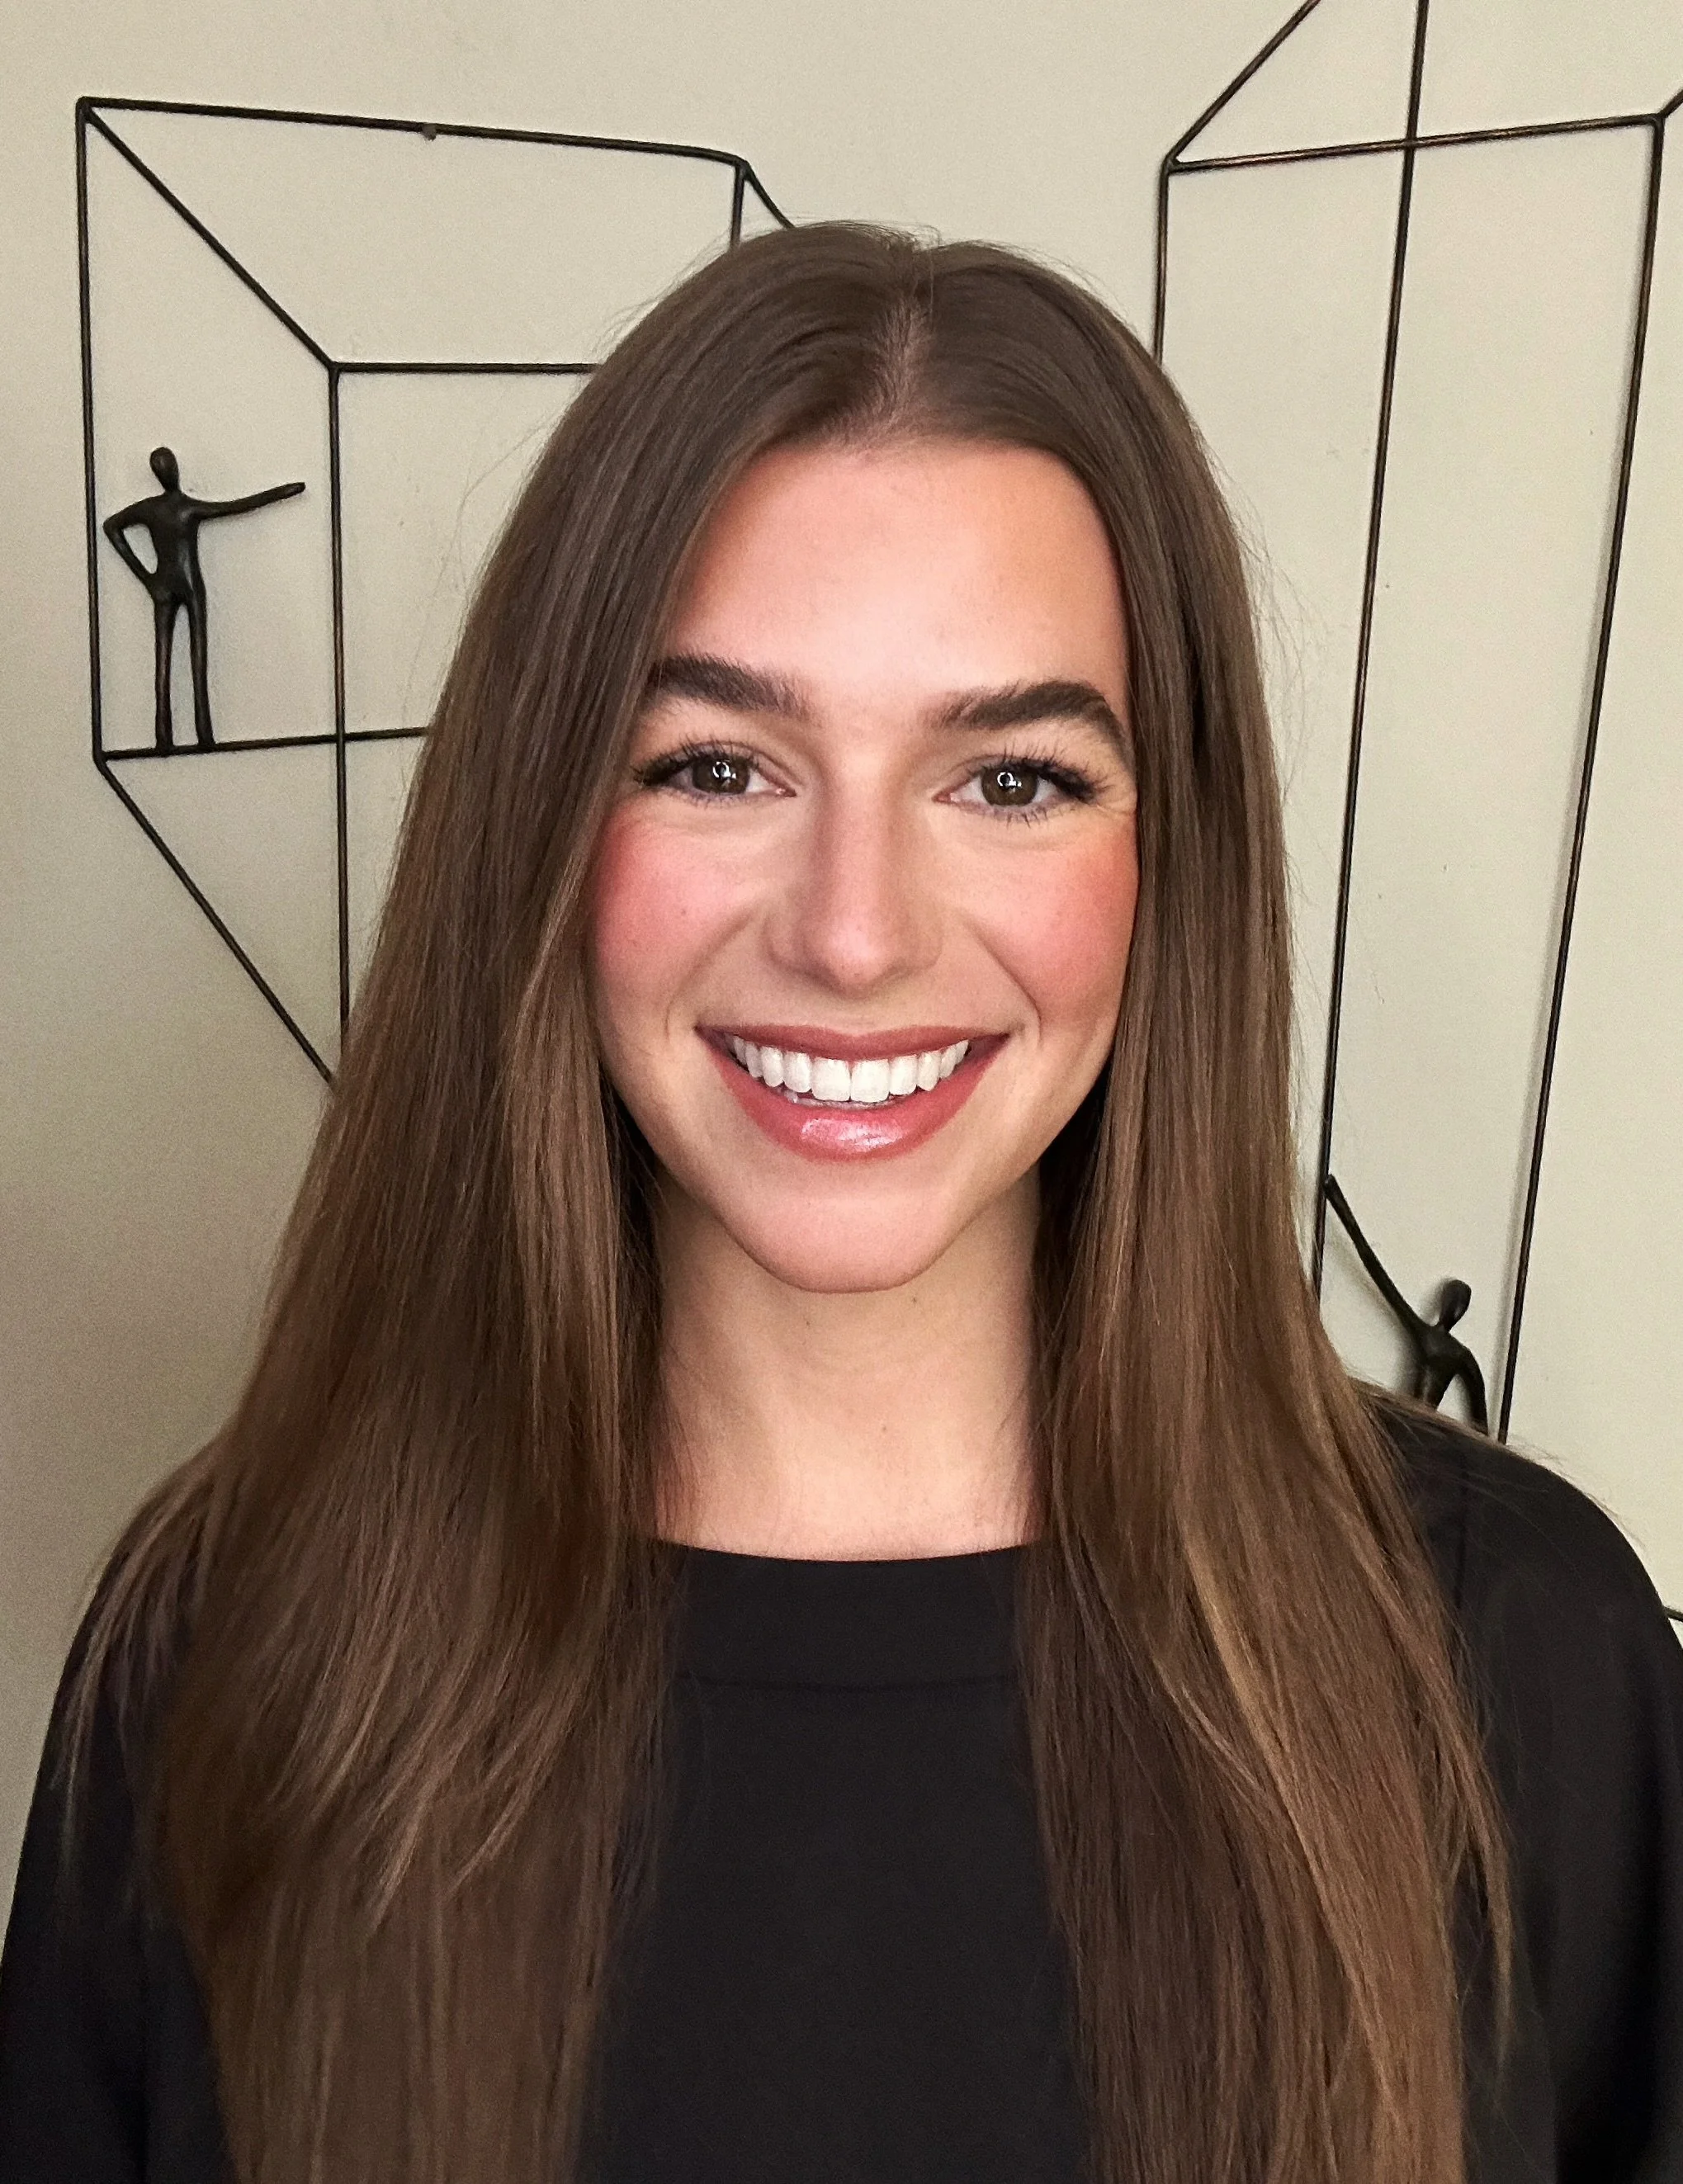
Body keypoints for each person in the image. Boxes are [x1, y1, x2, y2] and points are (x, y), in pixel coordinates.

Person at [2, 225, 1680, 2184]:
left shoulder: (1516, 1662)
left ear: (1173, 866)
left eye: (1014, 781)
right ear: (542, 827)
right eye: (716, 764)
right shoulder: (231, 1651)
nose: (855, 935)